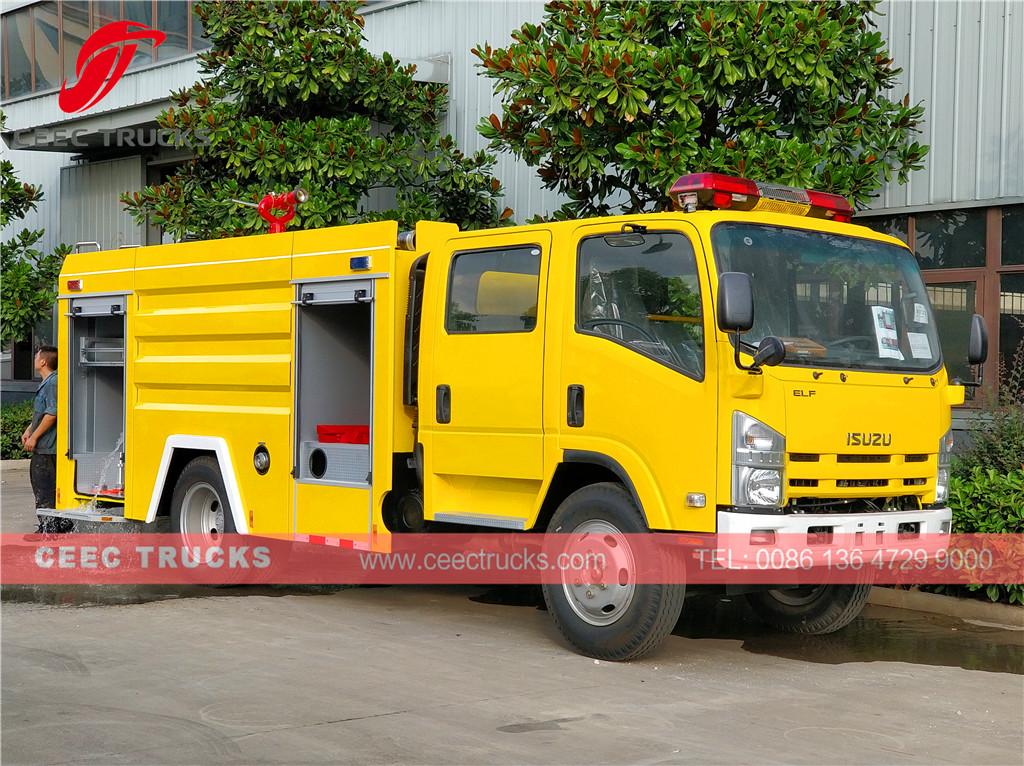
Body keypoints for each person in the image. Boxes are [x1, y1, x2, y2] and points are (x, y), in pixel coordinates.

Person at [22, 346, 60, 527]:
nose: (35, 358)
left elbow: (52, 414)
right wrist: (29, 430)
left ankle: (49, 531)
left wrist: (35, 437)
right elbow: (43, 412)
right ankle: (48, 527)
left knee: (44, 490)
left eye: (37, 356)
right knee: (43, 488)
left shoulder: (53, 383)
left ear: (43, 361)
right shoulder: (48, 382)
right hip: (43, 446)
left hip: (47, 448)